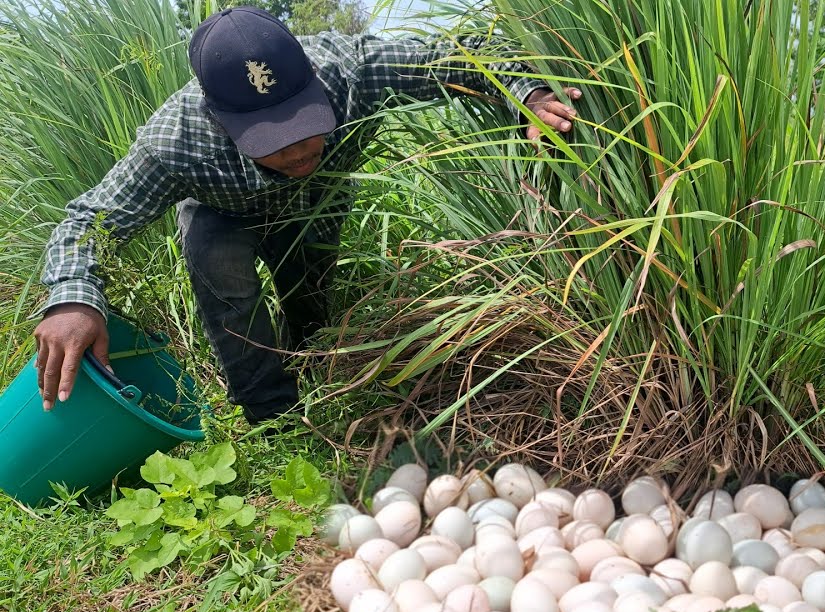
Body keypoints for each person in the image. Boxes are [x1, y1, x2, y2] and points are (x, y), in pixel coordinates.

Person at [31, 6, 580, 423]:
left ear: (317, 85)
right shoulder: (177, 140)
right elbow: (87, 222)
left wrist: (526, 92)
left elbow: (467, 54)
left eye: (305, 123)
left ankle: (318, 364)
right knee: (228, 294)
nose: (297, 152)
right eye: (272, 140)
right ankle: (271, 415)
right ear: (220, 120)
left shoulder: (352, 69)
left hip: (317, 203)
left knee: (311, 294)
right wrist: (73, 299)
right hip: (222, 213)